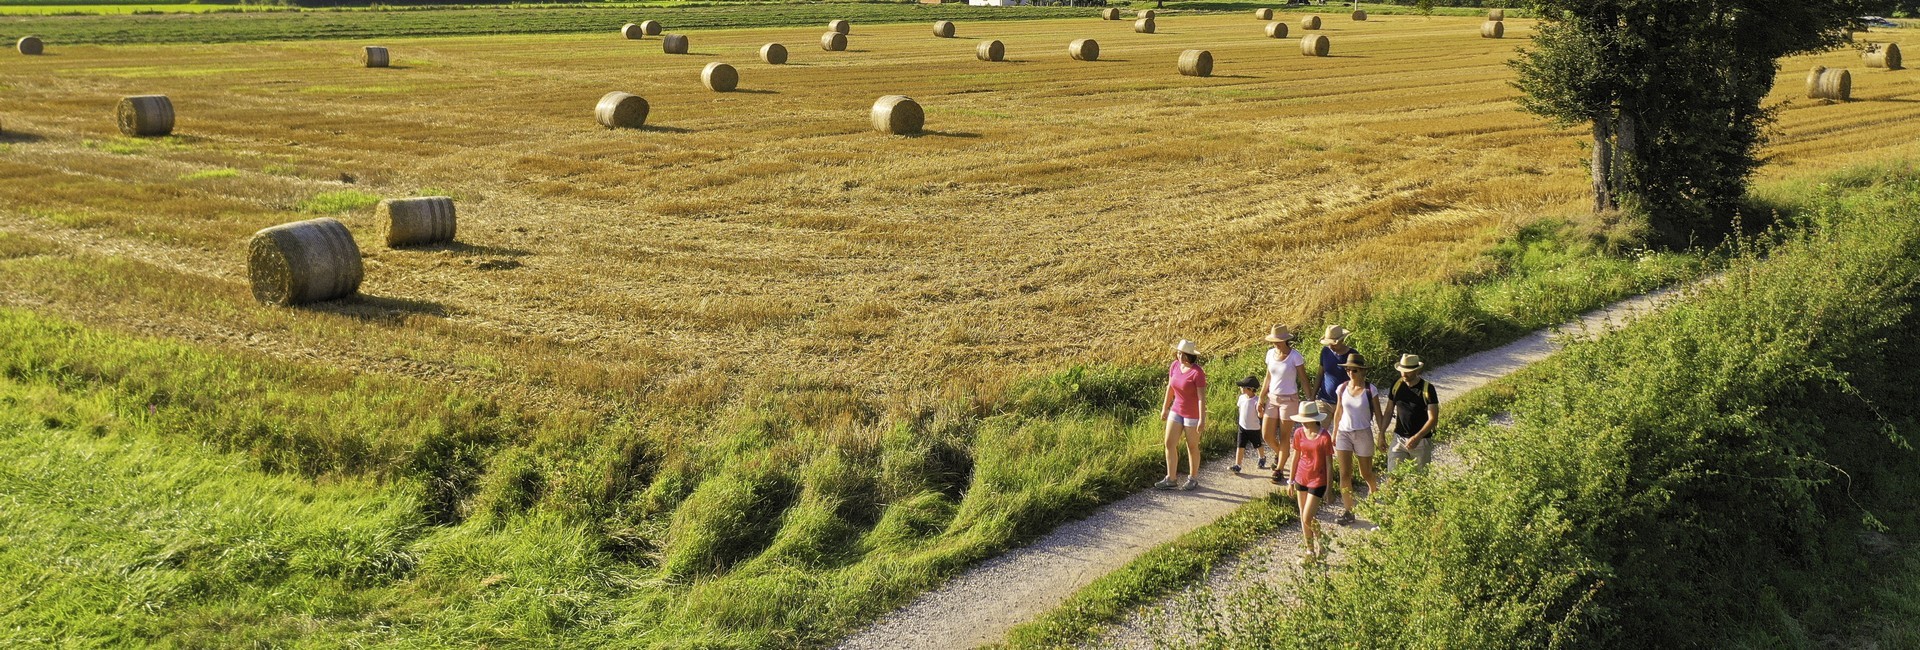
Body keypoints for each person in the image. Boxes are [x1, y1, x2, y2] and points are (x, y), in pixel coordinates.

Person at [1326, 353, 1386, 525]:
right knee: (1345, 474)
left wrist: (1381, 435)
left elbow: (1379, 415)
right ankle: (1348, 511)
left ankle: (1373, 490)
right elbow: (1338, 411)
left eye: (1354, 370)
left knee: (1365, 472)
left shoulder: (1370, 390)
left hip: (1363, 433)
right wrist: (1335, 431)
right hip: (1344, 433)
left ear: (1362, 371)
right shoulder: (1342, 388)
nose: (1350, 373)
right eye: (1348, 370)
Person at [1258, 324, 1311, 486]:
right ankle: (1282, 454)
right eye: (1274, 341)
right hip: (1272, 399)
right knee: (1266, 434)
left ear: (1286, 340)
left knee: (1284, 436)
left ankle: (1279, 469)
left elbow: (1303, 379)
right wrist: (1261, 397)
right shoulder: (1270, 354)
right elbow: (1268, 377)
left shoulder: (1295, 356)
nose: (1276, 344)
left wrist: (1309, 399)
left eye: (1279, 341)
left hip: (1289, 400)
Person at [1157, 339, 1208, 491]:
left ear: (1189, 356)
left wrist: (1201, 419)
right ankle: (1171, 478)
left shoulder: (1197, 373)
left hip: (1192, 415)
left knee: (1192, 446)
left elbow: (1201, 398)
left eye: (1182, 354)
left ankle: (1193, 478)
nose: (1179, 356)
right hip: (1176, 410)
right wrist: (1165, 408)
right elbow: (1170, 388)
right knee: (1169, 443)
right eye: (1178, 353)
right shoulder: (1174, 366)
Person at [1290, 400, 1335, 563]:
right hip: (1301, 477)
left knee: (1308, 517)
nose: (1303, 422)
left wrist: (1329, 489)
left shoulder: (1324, 437)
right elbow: (1295, 456)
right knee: (1304, 516)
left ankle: (1322, 541)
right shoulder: (1298, 433)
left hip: (1318, 480)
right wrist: (1290, 479)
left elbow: (1329, 464)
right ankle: (1310, 551)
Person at [1386, 354, 1441, 474]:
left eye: (1408, 372)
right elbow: (1389, 411)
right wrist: (1381, 433)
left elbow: (1433, 418)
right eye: (1402, 371)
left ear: (1417, 370)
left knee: (1420, 481)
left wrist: (1417, 437)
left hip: (1421, 441)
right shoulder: (1396, 385)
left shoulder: (1427, 389)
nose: (1404, 374)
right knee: (1393, 478)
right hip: (1399, 439)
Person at [1232, 375, 1267, 473]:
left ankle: (1262, 457)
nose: (1241, 388)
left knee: (1258, 445)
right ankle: (1237, 465)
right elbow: (1240, 409)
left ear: (1251, 389)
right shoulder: (1241, 398)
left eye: (1243, 387)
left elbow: (1260, 415)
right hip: (1242, 427)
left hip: (1254, 428)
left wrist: (1261, 412)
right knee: (1240, 446)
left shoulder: (1256, 401)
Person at [1316, 325, 1354, 404]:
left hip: (1345, 402)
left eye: (1333, 344)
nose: (1331, 346)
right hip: (1324, 400)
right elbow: (1320, 374)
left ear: (1342, 340)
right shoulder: (1325, 351)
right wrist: (1312, 396)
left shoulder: (1352, 355)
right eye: (1329, 344)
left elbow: (1357, 379)